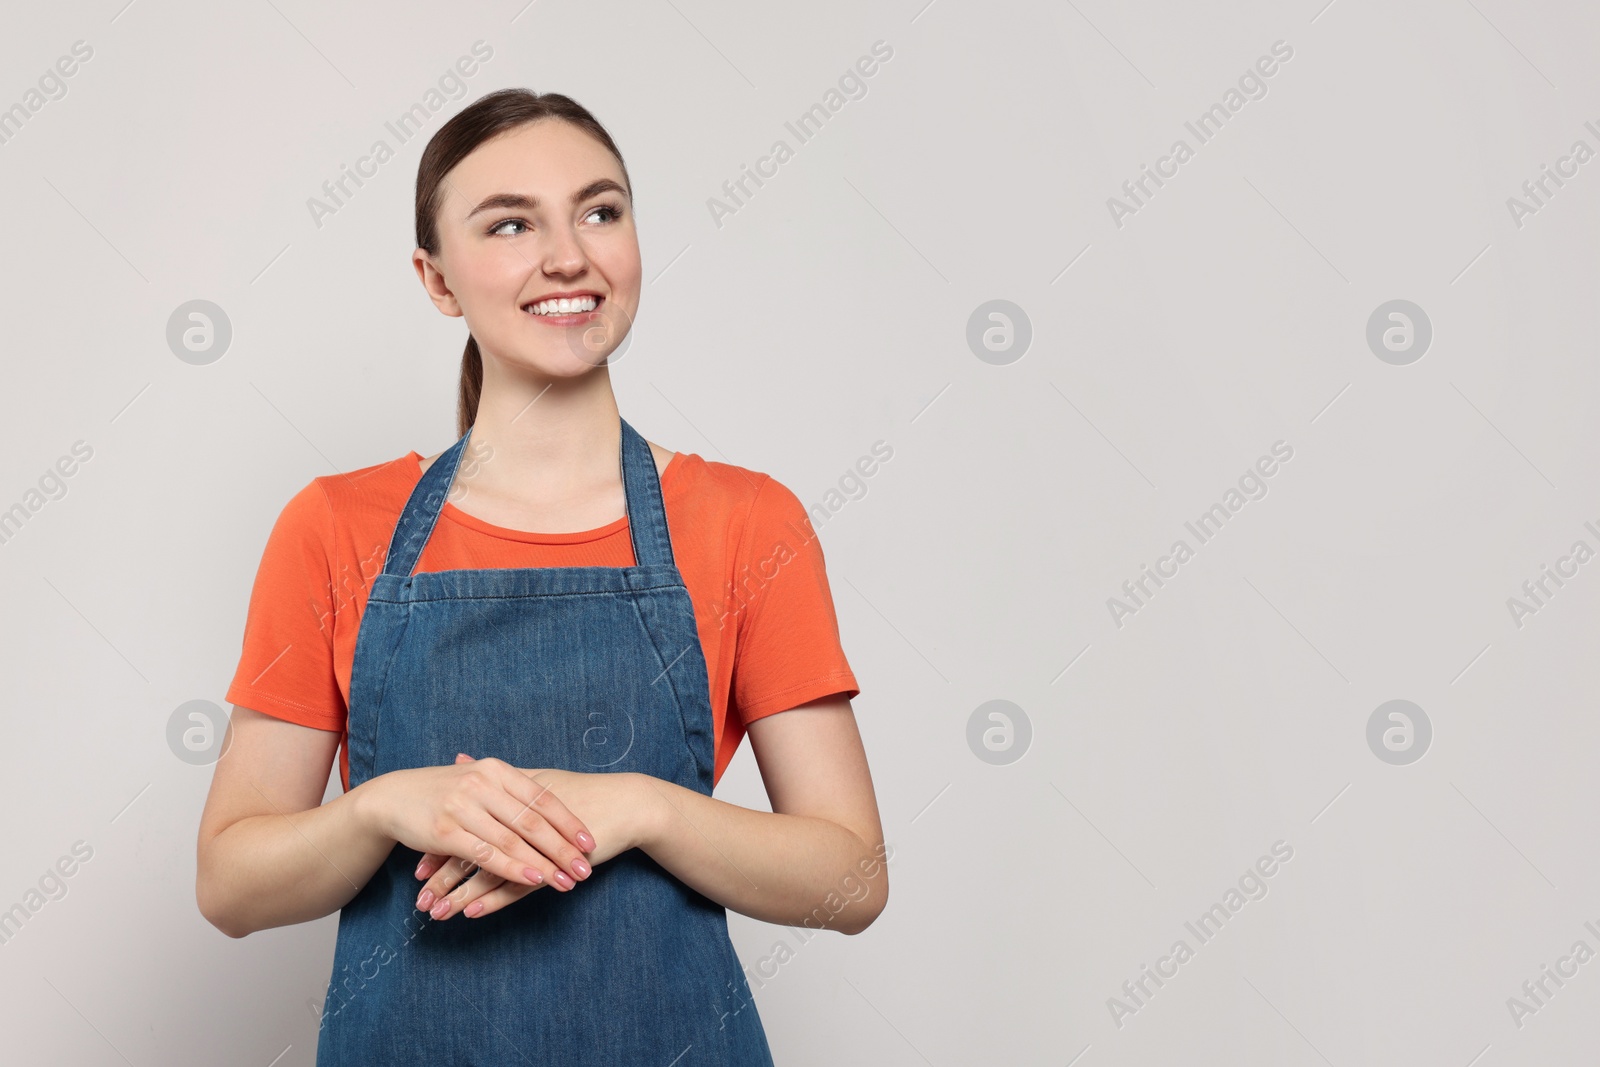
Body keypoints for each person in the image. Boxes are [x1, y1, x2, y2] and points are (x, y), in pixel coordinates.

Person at [194, 88, 888, 1065]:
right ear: (437, 281)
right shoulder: (336, 527)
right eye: (510, 223)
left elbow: (850, 874)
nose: (569, 254)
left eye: (599, 211)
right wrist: (383, 803)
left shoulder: (746, 523)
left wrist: (641, 805)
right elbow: (230, 882)